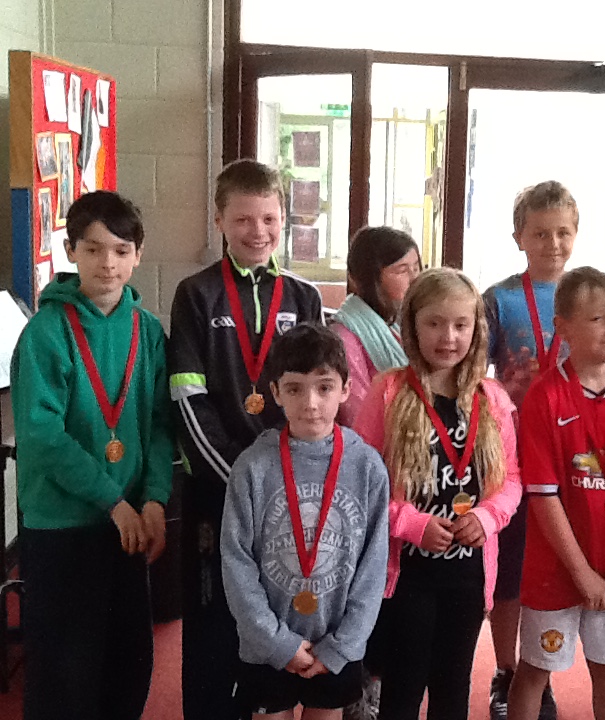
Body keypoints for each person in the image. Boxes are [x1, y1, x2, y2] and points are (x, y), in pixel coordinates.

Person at [168, 159, 325, 720]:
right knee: (213, 615)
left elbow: (317, 396)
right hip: (218, 487)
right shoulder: (197, 293)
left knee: (276, 605)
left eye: (269, 219)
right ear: (219, 221)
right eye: (242, 219)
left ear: (284, 218)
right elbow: (189, 398)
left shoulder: (304, 297)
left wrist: (288, 476)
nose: (257, 231)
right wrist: (242, 475)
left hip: (285, 491)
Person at [12, 191, 173, 720]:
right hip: (63, 525)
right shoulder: (45, 333)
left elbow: (160, 423)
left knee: (127, 662)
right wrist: (112, 500)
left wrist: (154, 499)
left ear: (138, 255)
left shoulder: (148, 331)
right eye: (94, 249)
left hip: (128, 524)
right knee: (65, 672)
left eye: (122, 250)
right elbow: (42, 436)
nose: (108, 263)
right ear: (70, 251)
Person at [354, 267, 522, 720]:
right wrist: (411, 524)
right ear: (412, 326)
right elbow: (362, 485)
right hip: (407, 575)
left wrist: (486, 517)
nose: (448, 337)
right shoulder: (388, 392)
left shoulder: (492, 398)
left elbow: (511, 480)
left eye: (460, 325)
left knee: (452, 688)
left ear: (476, 329)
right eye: (434, 323)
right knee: (403, 689)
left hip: (468, 576)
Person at [507, 267, 605, 720]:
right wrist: (580, 572)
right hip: (555, 570)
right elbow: (544, 497)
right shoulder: (545, 397)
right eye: (597, 319)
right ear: (563, 328)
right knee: (535, 670)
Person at [221, 323, 390, 720]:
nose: (311, 403)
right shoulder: (252, 468)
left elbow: (373, 568)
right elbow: (236, 563)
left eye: (324, 387)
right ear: (275, 392)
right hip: (267, 645)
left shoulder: (367, 467)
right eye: (295, 389)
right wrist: (275, 643)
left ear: (346, 389)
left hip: (335, 642)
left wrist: (343, 644)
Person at [483, 180, 578, 720]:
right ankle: (506, 671)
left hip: (570, 455)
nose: (553, 243)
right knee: (511, 573)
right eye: (540, 233)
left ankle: (540, 672)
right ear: (519, 237)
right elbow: (475, 372)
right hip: (513, 456)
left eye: (563, 232)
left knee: (556, 570)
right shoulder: (499, 299)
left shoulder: (588, 295)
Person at [332, 226, 421, 427]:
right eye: (402, 270)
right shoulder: (344, 337)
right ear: (370, 278)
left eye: (416, 268)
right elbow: (356, 413)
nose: (415, 279)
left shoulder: (402, 322)